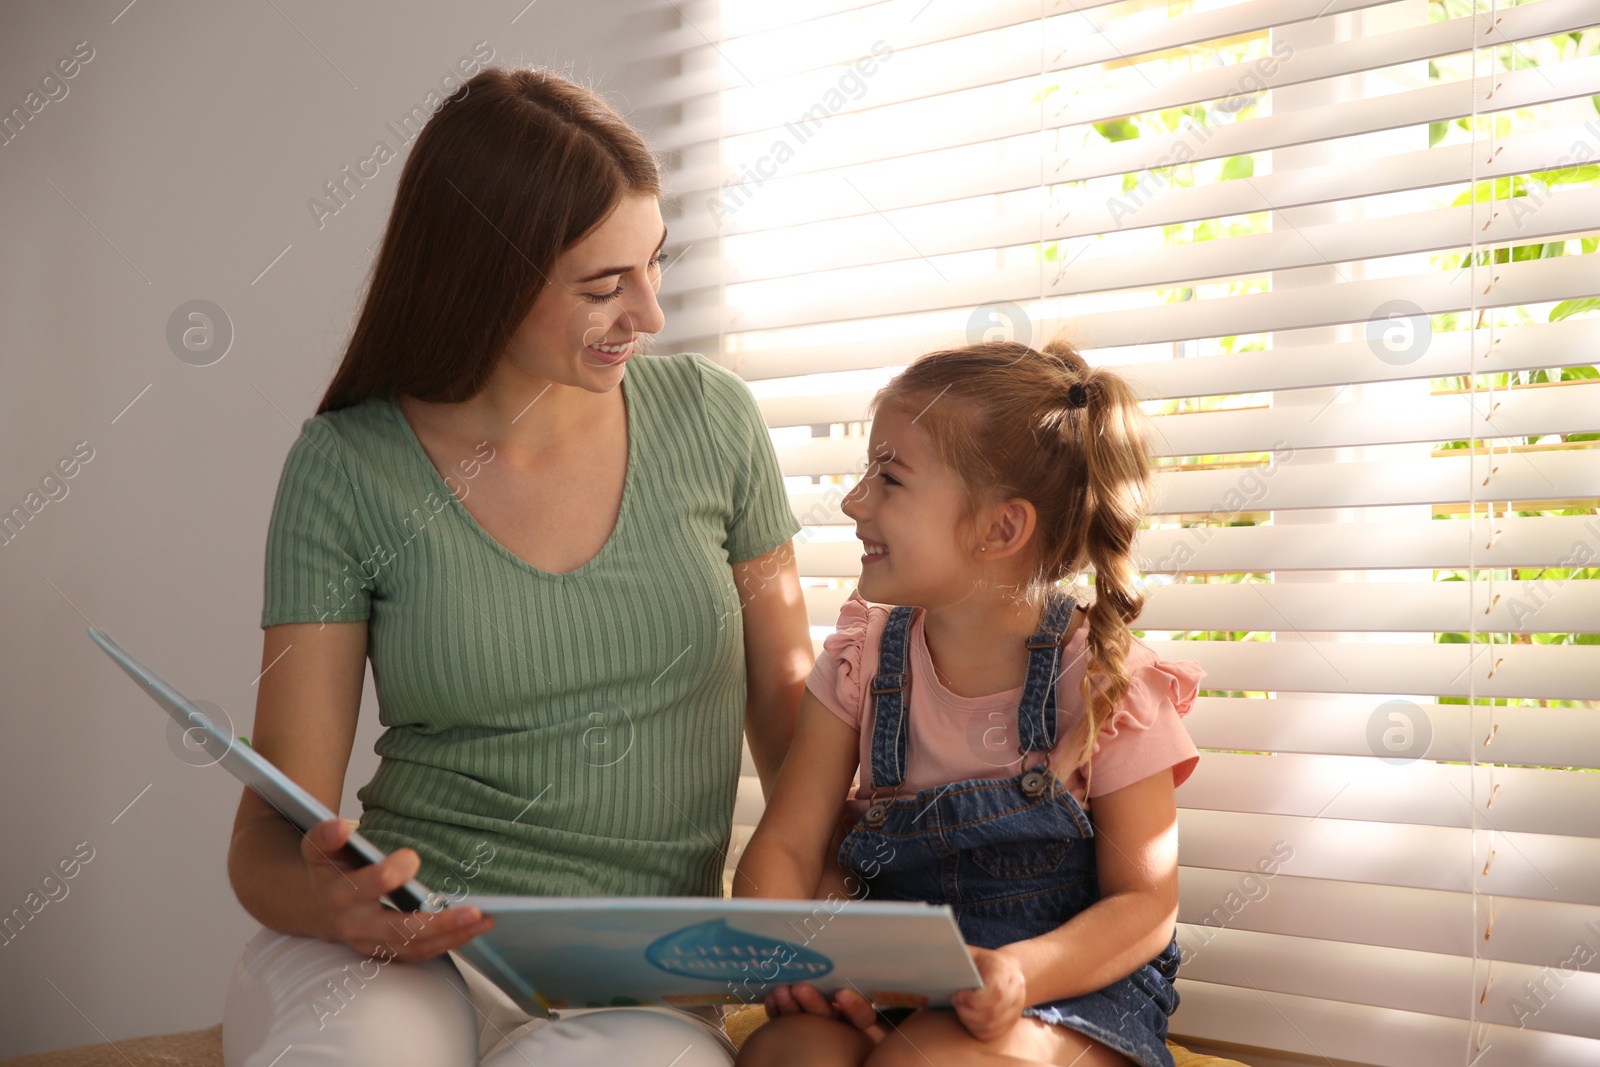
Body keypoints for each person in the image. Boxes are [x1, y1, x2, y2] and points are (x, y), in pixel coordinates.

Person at [222, 66, 813, 1066]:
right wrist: (335, 900)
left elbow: (799, 725)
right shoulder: (348, 465)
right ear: (484, 276)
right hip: (405, 951)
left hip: (639, 983)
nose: (651, 313)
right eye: (603, 285)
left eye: (655, 264)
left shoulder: (713, 421)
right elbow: (271, 836)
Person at [732, 337, 1205, 1067]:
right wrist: (784, 955)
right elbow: (788, 843)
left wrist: (1020, 972)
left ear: (1001, 528)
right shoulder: (862, 655)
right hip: (900, 985)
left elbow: (1146, 906)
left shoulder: (1108, 682)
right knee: (789, 1052)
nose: (855, 500)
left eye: (889, 478)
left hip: (1067, 995)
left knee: (920, 1061)